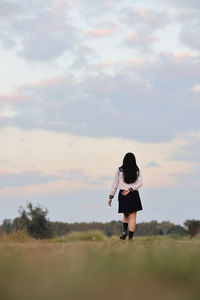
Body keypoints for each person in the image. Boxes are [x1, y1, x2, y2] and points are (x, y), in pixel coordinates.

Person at [108, 152, 143, 241]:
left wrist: (111, 197)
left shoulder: (119, 170)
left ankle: (124, 231)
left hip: (123, 194)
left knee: (125, 215)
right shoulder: (137, 170)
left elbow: (114, 184)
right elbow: (140, 183)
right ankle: (130, 240)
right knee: (133, 217)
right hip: (134, 194)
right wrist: (131, 189)